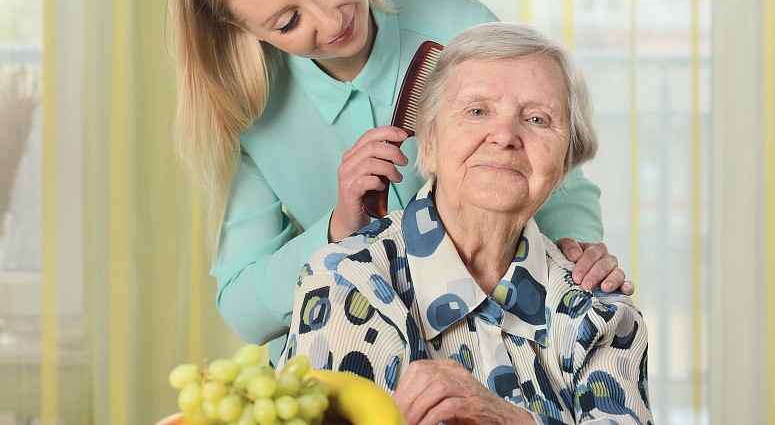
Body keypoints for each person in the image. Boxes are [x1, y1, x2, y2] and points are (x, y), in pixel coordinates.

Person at [163, 0, 632, 359]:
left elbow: (557, 176)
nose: (330, 22)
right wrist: (338, 229)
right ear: (240, 27)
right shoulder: (252, 115)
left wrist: (576, 255)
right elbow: (245, 309)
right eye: (288, 23)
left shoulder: (457, 27)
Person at [279, 22, 652, 425]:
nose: (505, 135)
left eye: (539, 119)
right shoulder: (347, 284)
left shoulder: (600, 311)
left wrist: (508, 420)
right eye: (477, 111)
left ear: (565, 165)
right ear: (430, 144)